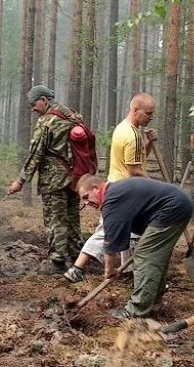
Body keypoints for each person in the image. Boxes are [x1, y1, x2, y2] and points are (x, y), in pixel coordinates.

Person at [64, 93, 158, 283]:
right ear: (135, 110)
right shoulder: (132, 136)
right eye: (148, 113)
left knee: (118, 230)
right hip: (125, 190)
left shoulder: (124, 129)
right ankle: (80, 268)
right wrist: (157, 188)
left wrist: (149, 143)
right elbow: (134, 170)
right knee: (111, 231)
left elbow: (135, 159)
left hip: (118, 186)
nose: (151, 117)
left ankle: (125, 271)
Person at [77, 174, 194, 319]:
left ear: (96, 188)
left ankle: (136, 311)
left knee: (145, 255)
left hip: (172, 208)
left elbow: (111, 244)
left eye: (87, 197)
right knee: (155, 256)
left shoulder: (111, 200)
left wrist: (109, 270)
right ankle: (154, 302)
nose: (87, 203)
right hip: (178, 205)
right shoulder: (115, 193)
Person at [6, 85, 84, 274]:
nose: (32, 108)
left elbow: (36, 153)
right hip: (75, 177)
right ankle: (77, 258)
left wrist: (21, 180)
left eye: (34, 104)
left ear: (44, 100)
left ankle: (57, 262)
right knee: (72, 218)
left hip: (54, 180)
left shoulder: (48, 121)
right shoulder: (73, 115)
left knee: (55, 218)